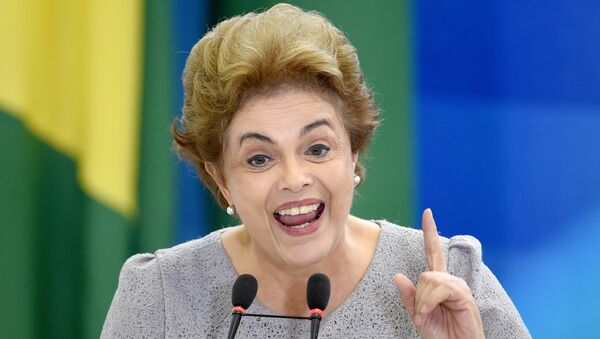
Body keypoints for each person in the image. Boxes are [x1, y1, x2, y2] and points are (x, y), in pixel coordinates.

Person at [101, 3, 530, 338]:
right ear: (220, 179)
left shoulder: (449, 280)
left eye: (317, 148)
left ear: (354, 151)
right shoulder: (161, 297)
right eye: (259, 158)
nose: (294, 178)